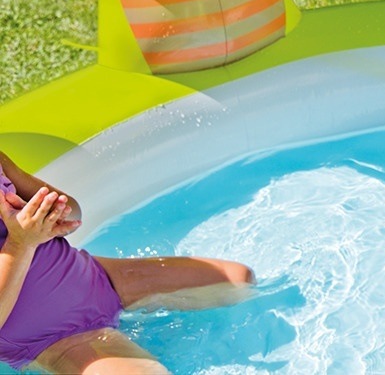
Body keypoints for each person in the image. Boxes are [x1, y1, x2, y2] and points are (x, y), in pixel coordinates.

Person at [0, 149, 255, 374]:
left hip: (97, 279)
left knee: (239, 280)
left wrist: (51, 212)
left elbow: (73, 213)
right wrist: (21, 242)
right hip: (50, 337)